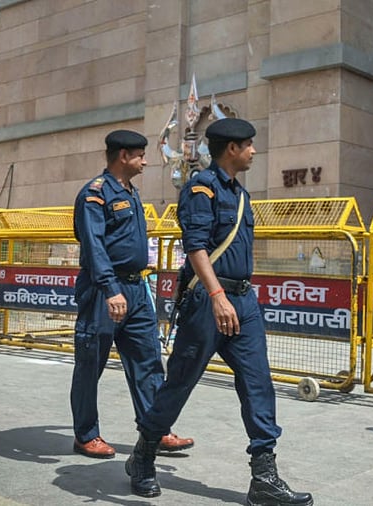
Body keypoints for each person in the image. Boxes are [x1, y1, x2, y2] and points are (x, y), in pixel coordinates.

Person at [126, 118, 313, 505]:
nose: (254, 151)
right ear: (232, 149)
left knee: (258, 383)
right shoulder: (201, 189)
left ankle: (263, 477)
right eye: (249, 145)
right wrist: (216, 295)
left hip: (243, 301)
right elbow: (194, 246)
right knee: (180, 382)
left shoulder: (240, 193)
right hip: (208, 302)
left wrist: (233, 297)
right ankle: (144, 453)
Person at [70, 129, 193, 460]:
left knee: (148, 361)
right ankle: (86, 435)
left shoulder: (131, 192)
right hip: (104, 290)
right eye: (140, 155)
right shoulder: (95, 194)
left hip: (136, 289)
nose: (146, 160)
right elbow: (94, 247)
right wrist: (111, 289)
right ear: (123, 156)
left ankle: (155, 429)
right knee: (89, 363)